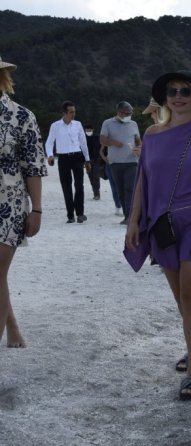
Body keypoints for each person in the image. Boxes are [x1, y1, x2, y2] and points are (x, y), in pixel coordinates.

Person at [124, 70, 191, 400]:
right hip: (162, 221)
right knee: (180, 295)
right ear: (165, 98)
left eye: (185, 91)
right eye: (172, 91)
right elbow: (143, 180)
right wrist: (134, 221)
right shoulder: (152, 134)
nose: (178, 96)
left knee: (190, 291)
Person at [0, 55, 48, 347]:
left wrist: (37, 209)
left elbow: (34, 166)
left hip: (9, 203)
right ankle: (13, 326)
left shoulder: (21, 116)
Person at [44, 100, 92, 223]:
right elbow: (49, 142)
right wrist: (50, 155)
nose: (73, 114)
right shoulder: (55, 126)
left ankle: (80, 213)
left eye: (74, 112)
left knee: (79, 185)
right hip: (63, 158)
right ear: (64, 113)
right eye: (71, 112)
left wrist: (87, 160)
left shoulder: (78, 124)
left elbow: (83, 143)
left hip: (77, 156)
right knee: (66, 186)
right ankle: (70, 215)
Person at [100, 101, 142, 224]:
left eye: (130, 113)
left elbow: (138, 141)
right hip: (115, 162)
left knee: (129, 188)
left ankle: (131, 216)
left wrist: (139, 149)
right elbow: (102, 139)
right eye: (127, 113)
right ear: (120, 112)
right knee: (120, 190)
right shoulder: (107, 123)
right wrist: (113, 142)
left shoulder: (133, 124)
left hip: (132, 161)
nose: (129, 116)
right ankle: (126, 215)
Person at [99, 145, 123, 215]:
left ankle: (124, 206)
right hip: (110, 164)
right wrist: (105, 159)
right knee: (114, 187)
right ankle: (118, 206)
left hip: (124, 162)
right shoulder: (108, 139)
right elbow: (101, 150)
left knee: (123, 186)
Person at [84, 123, 102, 200]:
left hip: (97, 160)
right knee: (91, 177)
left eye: (89, 130)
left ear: (92, 130)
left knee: (96, 176)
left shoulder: (97, 137)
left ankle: (97, 193)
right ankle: (95, 192)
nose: (88, 131)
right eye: (87, 130)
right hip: (87, 161)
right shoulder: (83, 138)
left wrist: (101, 157)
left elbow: (102, 147)